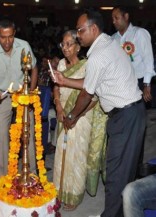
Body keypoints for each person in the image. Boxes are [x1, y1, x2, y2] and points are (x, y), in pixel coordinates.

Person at [51, 9, 146, 217]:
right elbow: (91, 82)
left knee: (115, 175)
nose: (78, 34)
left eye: (80, 30)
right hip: (130, 114)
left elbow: (86, 94)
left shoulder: (98, 55)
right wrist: (65, 81)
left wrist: (71, 116)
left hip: (126, 116)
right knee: (123, 173)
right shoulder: (107, 44)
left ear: (93, 29)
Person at [0, 16, 38, 177]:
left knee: (28, 134)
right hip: (2, 96)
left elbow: (34, 68)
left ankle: (32, 174)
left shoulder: (24, 46)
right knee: (2, 138)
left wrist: (30, 92)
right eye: (3, 37)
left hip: (23, 95)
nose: (7, 41)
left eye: (10, 36)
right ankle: (4, 179)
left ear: (14, 33)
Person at [52, 30, 107, 211]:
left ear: (77, 47)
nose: (65, 48)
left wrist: (77, 115)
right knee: (62, 155)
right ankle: (59, 192)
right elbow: (56, 88)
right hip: (63, 116)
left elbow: (95, 96)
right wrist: (59, 107)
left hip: (81, 118)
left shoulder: (88, 66)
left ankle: (74, 196)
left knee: (76, 158)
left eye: (69, 44)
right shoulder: (60, 64)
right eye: (63, 44)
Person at [112, 6, 155, 101]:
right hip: (122, 83)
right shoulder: (113, 38)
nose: (114, 21)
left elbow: (148, 60)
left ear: (126, 16)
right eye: (112, 19)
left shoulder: (139, 33)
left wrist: (147, 84)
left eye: (116, 18)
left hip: (140, 81)